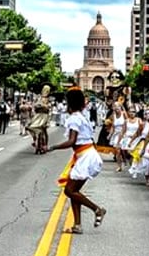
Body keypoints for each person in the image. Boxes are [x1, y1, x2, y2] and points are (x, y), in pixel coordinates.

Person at [44, 87, 106, 234]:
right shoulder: (82, 116)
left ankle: (97, 209)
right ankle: (77, 225)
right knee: (74, 191)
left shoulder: (74, 119)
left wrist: (52, 147)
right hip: (87, 155)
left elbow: (72, 141)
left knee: (69, 190)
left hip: (86, 156)